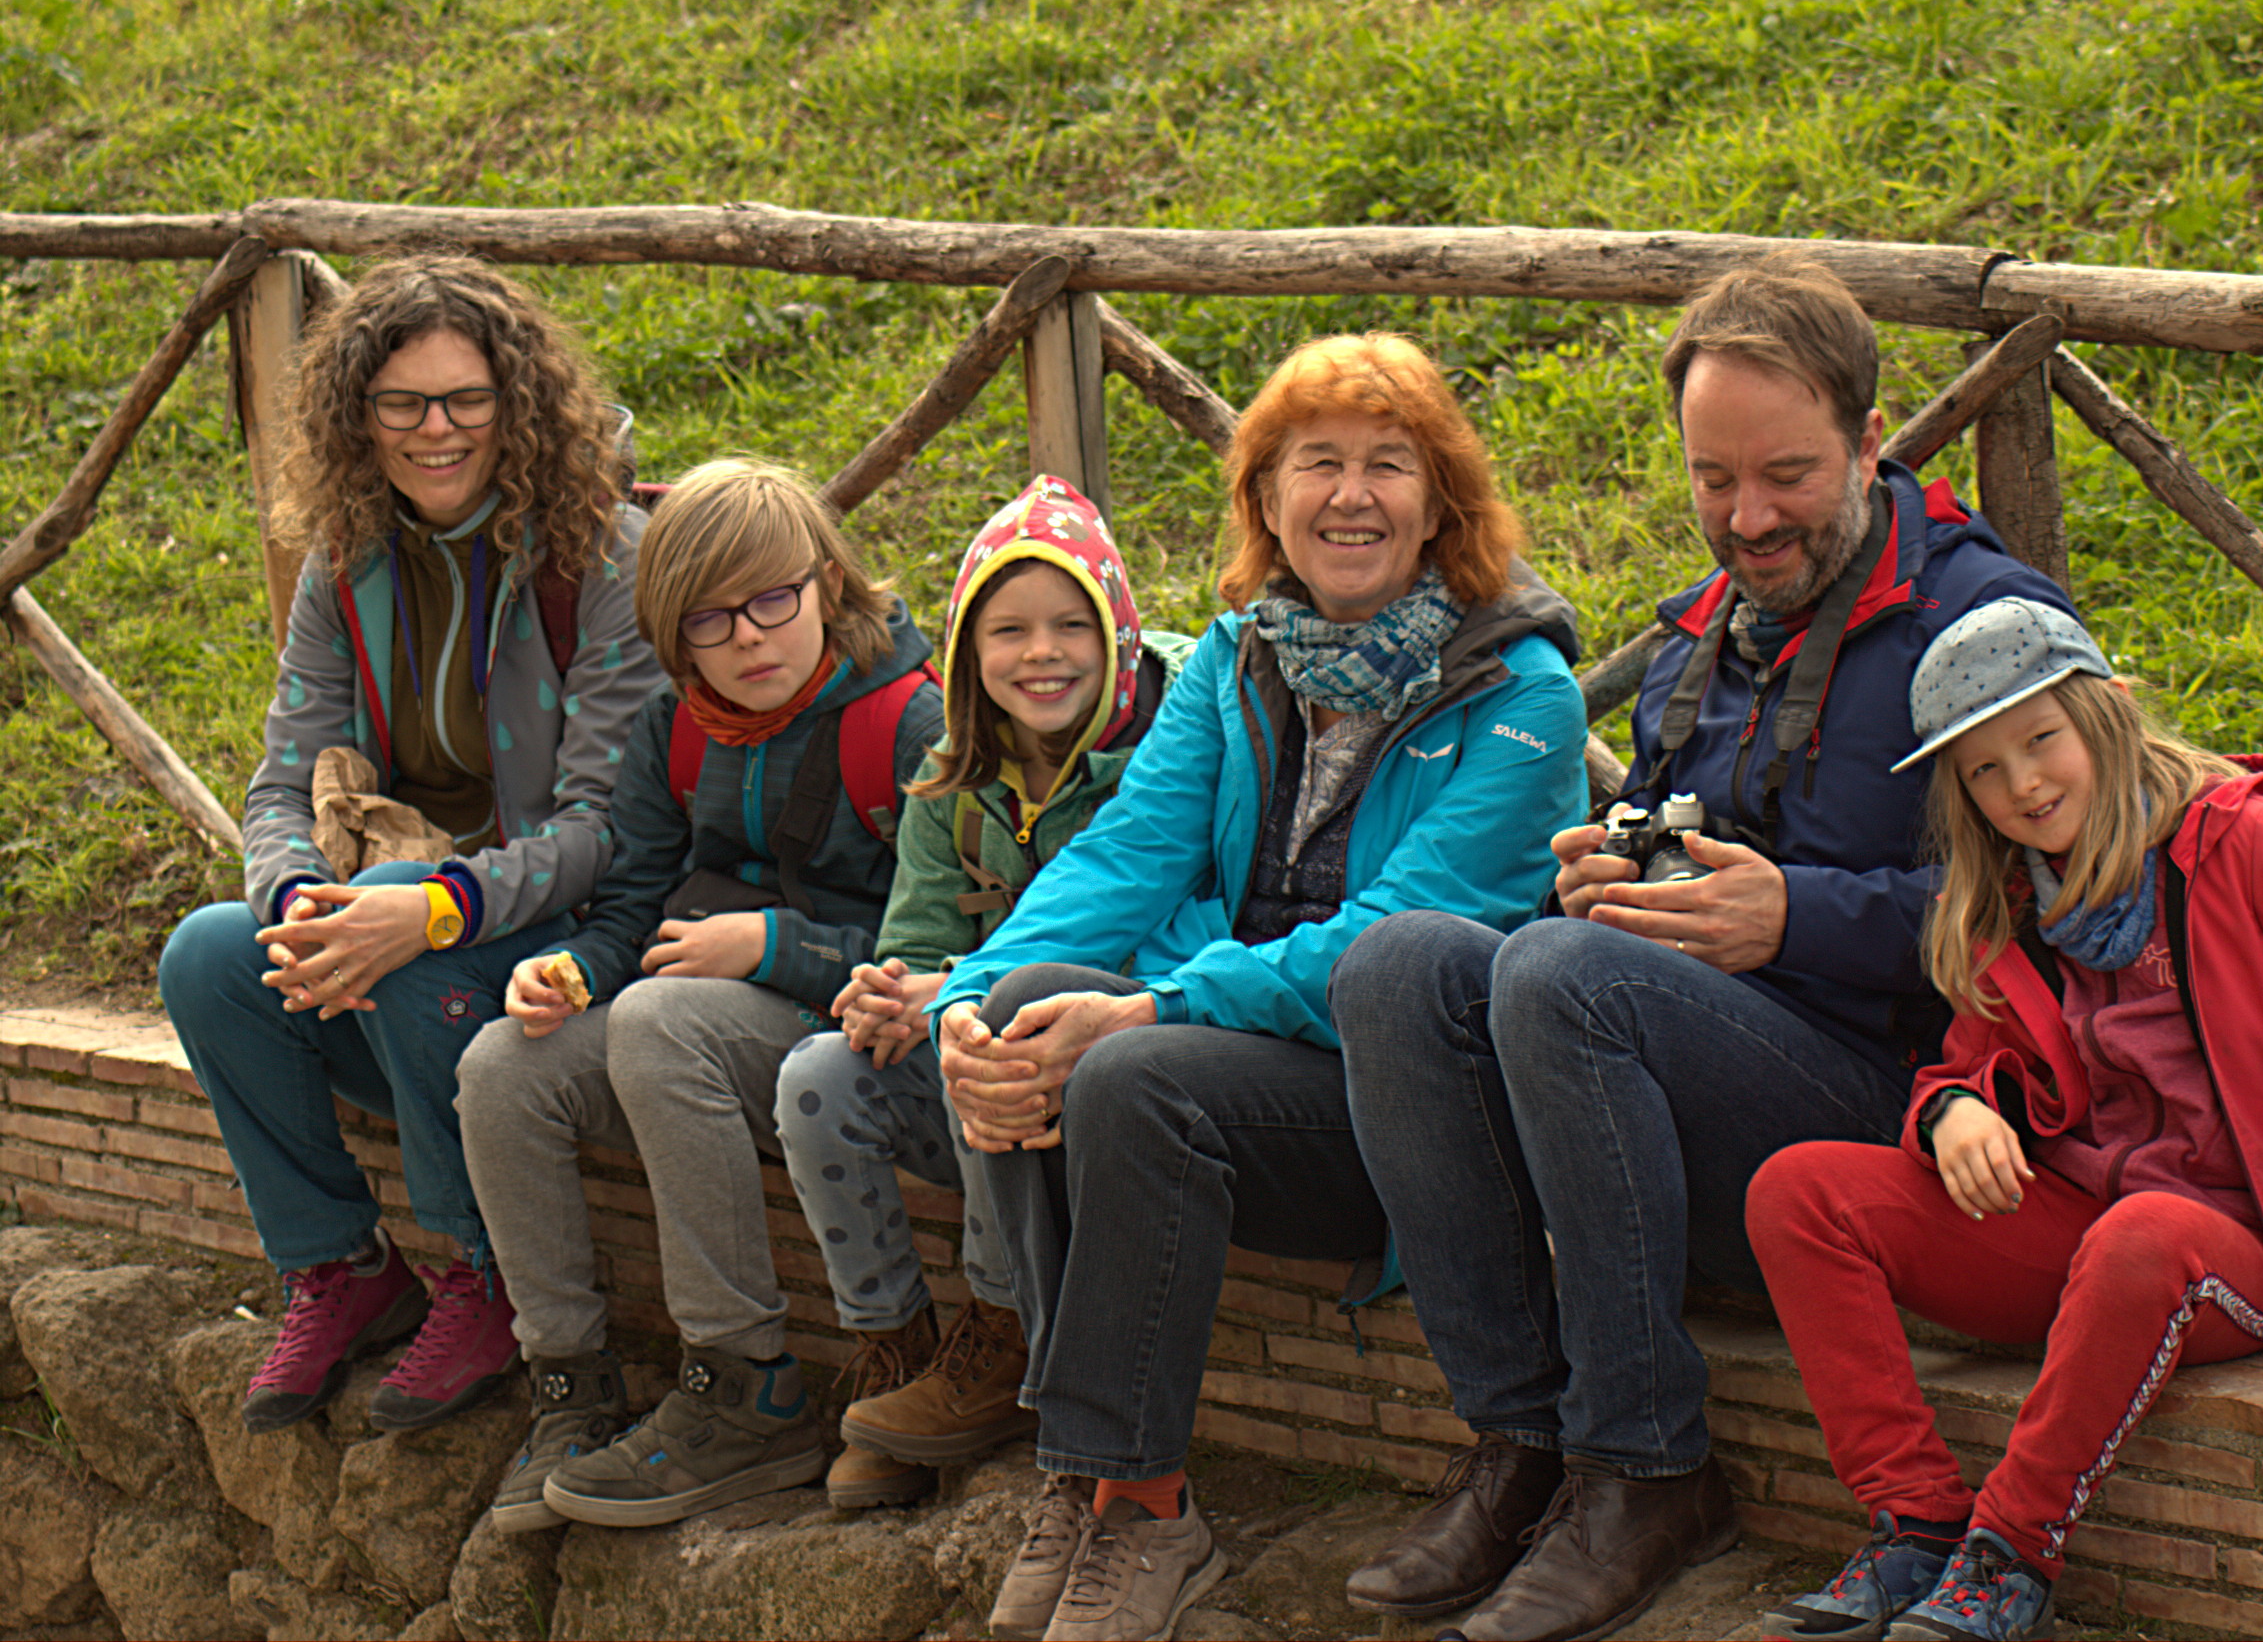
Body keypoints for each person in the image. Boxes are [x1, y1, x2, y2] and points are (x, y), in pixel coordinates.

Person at [1328, 260, 2076, 1642]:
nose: (1747, 517)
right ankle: (1517, 1446)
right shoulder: (1705, 631)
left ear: (1869, 440)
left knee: (1558, 977)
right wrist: (1609, 860)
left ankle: (1649, 1464)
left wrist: (1793, 913)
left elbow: (2065, 902)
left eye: (1787, 475)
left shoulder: (1978, 622)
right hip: (1668, 1085)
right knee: (1403, 966)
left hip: (1894, 1112)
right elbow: (1667, 838)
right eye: (1712, 479)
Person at [910, 334, 1588, 1642]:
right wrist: (968, 994)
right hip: (1236, 1060)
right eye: (1313, 463)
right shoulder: (1234, 661)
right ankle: (1086, 1472)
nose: (1349, 495)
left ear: (1440, 500)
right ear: (1264, 499)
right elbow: (1125, 852)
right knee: (1031, 1011)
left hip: (1406, 1107)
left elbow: (1392, 935)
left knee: (1129, 1069)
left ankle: (1147, 1503)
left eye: (1387, 464)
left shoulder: (1520, 696)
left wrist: (1159, 1008)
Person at [1744, 597, 2263, 1641]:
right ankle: (1914, 1520)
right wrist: (1956, 1107)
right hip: (2081, 1229)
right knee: (1800, 1190)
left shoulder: (2244, 840)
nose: (2022, 785)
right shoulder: (2014, 896)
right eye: (1982, 769)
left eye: (2041, 740)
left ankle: (2009, 1552)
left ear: (2107, 712)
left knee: (2138, 1238)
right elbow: (1963, 1062)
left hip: (2236, 1246)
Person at [158, 254, 664, 1435]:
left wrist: (428, 904)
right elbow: (286, 773)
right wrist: (291, 894)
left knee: (393, 924)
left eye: (466, 399)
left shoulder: (598, 558)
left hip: (559, 935)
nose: (436, 429)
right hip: (393, 916)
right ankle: (339, 1264)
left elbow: (603, 830)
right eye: (402, 403)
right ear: (359, 416)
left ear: (518, 402)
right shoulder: (348, 561)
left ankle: (484, 1273)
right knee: (209, 954)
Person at [452, 457, 945, 1532]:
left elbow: (942, 945)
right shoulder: (676, 726)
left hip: (853, 1026)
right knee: (502, 1064)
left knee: (659, 1021)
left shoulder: (908, 724)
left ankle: (745, 1383)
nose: (751, 639)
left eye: (775, 600)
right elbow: (636, 901)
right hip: (706, 1000)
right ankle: (571, 1387)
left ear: (826, 580)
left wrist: (772, 944)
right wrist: (579, 966)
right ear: (675, 640)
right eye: (712, 623)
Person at [775, 474, 1196, 1510]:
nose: (1040, 653)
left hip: (1100, 1057)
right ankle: (899, 1346)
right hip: (982, 1045)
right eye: (1007, 630)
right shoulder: (953, 775)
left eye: (1070, 624)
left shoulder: (1163, 756)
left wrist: (954, 993)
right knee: (816, 1075)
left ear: (1118, 632)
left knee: (990, 1030)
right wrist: (889, 992)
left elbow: (1171, 929)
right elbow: (916, 938)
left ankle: (1007, 1332)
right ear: (969, 651)